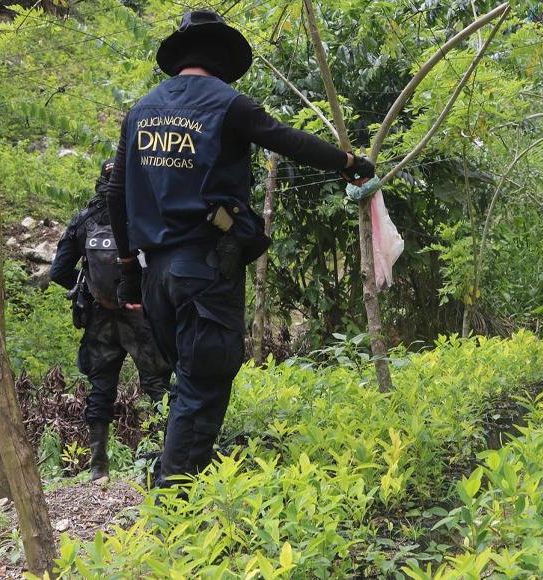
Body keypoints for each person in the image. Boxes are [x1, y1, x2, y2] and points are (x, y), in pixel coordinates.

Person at [105, 10, 375, 486]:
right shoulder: (229, 104)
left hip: (155, 278)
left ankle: (180, 481)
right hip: (206, 271)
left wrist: (128, 270)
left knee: (186, 382)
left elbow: (115, 195)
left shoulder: (140, 111)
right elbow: (288, 140)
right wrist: (349, 162)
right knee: (202, 384)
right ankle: (174, 507)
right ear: (221, 56)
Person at [50, 159, 172, 481]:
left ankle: (98, 468)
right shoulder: (144, 217)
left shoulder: (84, 220)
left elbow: (58, 272)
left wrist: (86, 285)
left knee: (101, 389)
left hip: (100, 319)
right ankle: (172, 459)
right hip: (139, 315)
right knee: (158, 386)